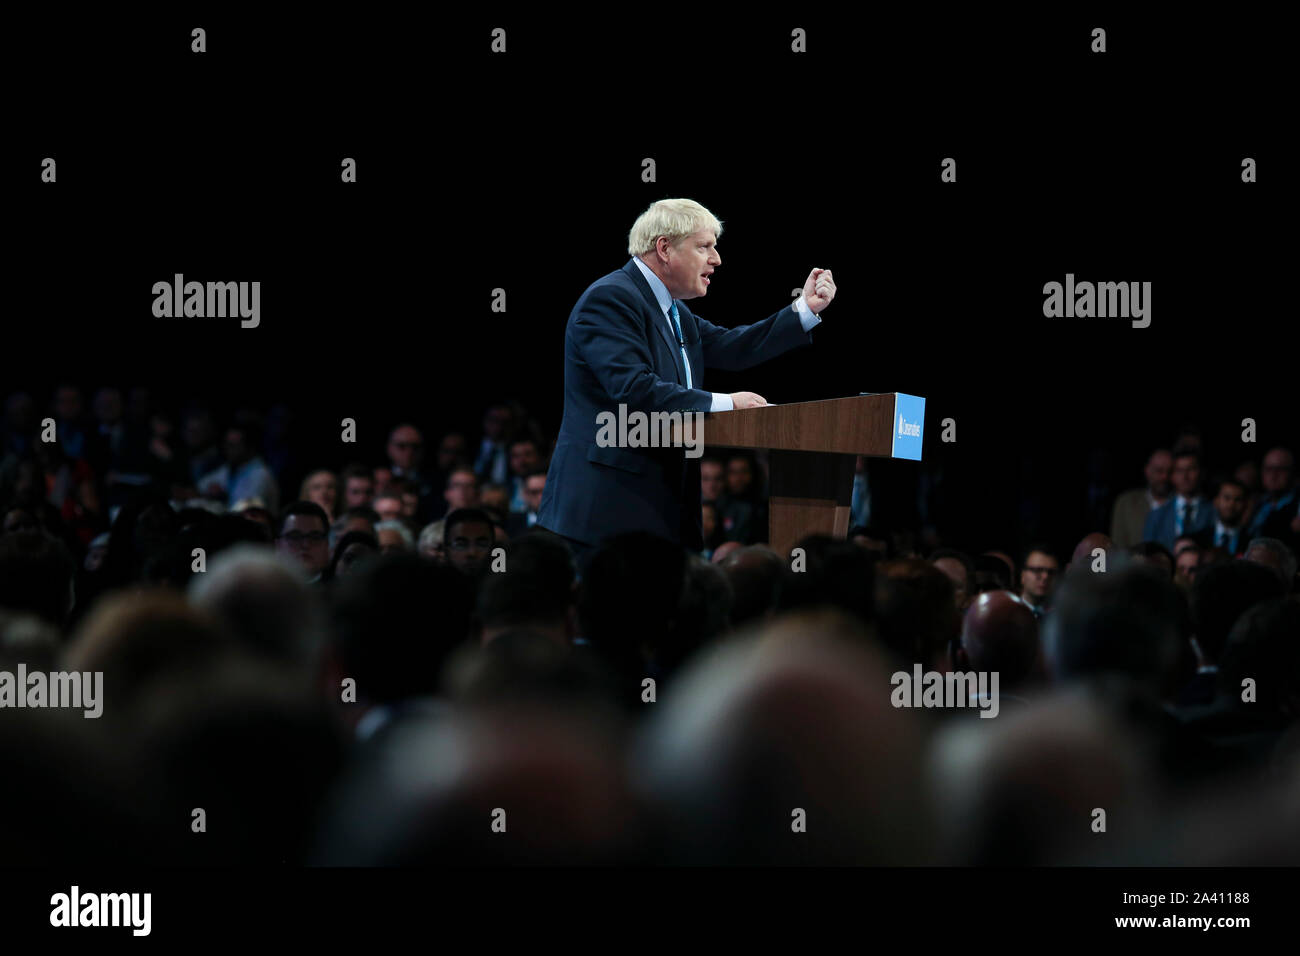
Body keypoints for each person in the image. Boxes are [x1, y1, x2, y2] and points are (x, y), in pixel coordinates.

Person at [539, 198, 836, 563]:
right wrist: (728, 404)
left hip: (660, 512)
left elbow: (734, 347)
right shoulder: (611, 298)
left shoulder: (673, 309)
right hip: (607, 513)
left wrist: (804, 310)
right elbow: (634, 389)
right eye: (704, 246)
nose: (716, 259)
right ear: (664, 247)